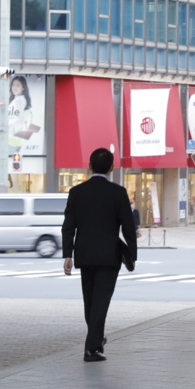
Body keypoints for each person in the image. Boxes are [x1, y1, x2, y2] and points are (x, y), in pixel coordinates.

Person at [62, 147, 138, 363]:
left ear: (89, 166)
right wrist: (132, 253)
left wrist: (68, 253)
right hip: (108, 256)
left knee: (90, 302)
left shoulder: (77, 192)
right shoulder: (118, 192)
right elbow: (128, 226)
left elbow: (68, 226)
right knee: (101, 302)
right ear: (112, 167)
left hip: (84, 255)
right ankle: (92, 348)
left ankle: (96, 339)